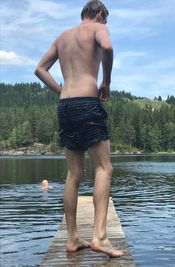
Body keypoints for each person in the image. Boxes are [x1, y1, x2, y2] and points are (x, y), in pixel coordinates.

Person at [34, 0, 123, 258]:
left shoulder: (62, 37)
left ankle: (72, 238)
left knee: (74, 172)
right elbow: (107, 46)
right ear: (98, 14)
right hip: (87, 103)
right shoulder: (97, 29)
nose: (105, 24)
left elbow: (40, 69)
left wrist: (61, 91)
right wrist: (105, 81)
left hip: (65, 106)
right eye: (105, 19)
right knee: (104, 168)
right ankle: (100, 237)